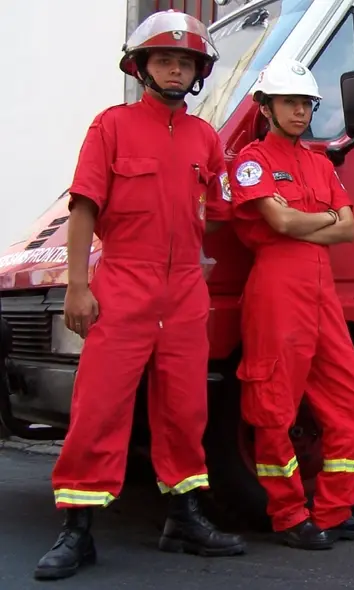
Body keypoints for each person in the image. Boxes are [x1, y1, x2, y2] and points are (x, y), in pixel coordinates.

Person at [34, 10, 246, 581]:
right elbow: (83, 208)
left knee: (185, 409)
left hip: (183, 294)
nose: (176, 70)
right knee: (99, 407)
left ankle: (183, 518)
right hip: (123, 283)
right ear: (142, 66)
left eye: (186, 62)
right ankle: (76, 529)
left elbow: (223, 213)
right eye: (165, 59)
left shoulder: (207, 138)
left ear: (198, 72)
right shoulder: (111, 126)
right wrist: (78, 286)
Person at [228, 58, 354, 550]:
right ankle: (289, 515)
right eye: (289, 102)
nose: (299, 112)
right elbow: (282, 226)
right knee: (274, 409)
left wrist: (300, 218)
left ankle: (334, 510)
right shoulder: (251, 160)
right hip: (276, 290)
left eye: (305, 104)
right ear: (266, 107)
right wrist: (322, 220)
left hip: (322, 295)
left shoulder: (318, 163)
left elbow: (352, 229)